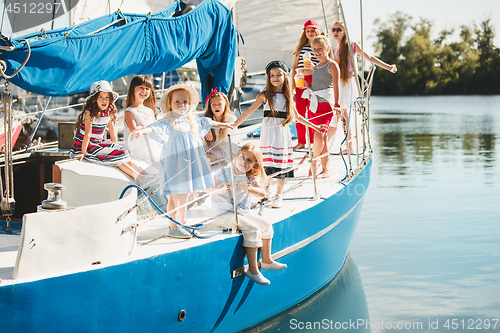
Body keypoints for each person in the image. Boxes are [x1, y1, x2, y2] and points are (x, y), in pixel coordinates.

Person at [130, 84, 233, 239]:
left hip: (189, 162)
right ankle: (177, 225)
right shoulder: (168, 121)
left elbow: (209, 122)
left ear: (189, 104)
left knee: (181, 196)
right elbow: (154, 128)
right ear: (169, 104)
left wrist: (224, 124)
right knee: (176, 196)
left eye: (184, 102)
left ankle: (178, 225)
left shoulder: (191, 120)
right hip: (176, 163)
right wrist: (141, 132)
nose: (181, 105)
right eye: (177, 102)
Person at [234, 60, 326, 208]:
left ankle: (278, 195)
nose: (275, 78)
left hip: (282, 137)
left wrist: (315, 126)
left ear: (285, 76)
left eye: (278, 75)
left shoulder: (288, 97)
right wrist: (234, 124)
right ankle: (266, 191)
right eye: (272, 75)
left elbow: (298, 117)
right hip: (268, 137)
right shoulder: (265, 95)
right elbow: (248, 111)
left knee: (281, 167)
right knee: (268, 167)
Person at [207, 143, 287, 285]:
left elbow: (262, 193)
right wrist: (221, 189)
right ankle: (253, 270)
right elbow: (208, 188)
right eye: (242, 157)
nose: (244, 162)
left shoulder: (249, 178)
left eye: (249, 160)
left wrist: (249, 189)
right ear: (236, 156)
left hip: (241, 213)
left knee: (266, 225)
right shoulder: (225, 172)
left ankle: (267, 260)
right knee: (253, 229)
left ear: (254, 165)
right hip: (224, 215)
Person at [331, 21, 397, 154]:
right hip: (339, 85)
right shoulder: (334, 51)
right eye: (333, 30)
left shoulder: (352, 46)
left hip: (349, 83)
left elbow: (370, 58)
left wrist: (388, 67)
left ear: (344, 32)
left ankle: (351, 146)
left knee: (345, 113)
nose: (336, 32)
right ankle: (344, 143)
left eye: (339, 29)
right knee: (340, 113)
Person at [70, 80, 146, 183]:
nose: (104, 100)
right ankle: (140, 178)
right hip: (87, 144)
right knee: (116, 158)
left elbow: (113, 133)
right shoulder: (90, 113)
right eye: (100, 97)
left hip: (99, 142)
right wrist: (83, 153)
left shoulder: (109, 112)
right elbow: (87, 134)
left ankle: (146, 175)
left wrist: (114, 147)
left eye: (107, 97)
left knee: (122, 152)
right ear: (94, 99)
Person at [302, 35, 341, 178]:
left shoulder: (332, 65)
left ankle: (317, 165)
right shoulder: (316, 67)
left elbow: (336, 86)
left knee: (320, 137)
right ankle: (323, 168)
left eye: (320, 49)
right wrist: (305, 85)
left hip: (326, 106)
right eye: (314, 49)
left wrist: (337, 104)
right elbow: (315, 87)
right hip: (315, 106)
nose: (317, 52)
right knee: (320, 138)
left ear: (327, 49)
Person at [291, 19, 321, 150]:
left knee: (313, 110)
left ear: (317, 31)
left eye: (312, 30)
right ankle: (301, 141)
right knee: (300, 111)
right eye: (308, 31)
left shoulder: (320, 47)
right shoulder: (300, 48)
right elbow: (294, 67)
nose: (310, 33)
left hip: (314, 79)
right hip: (300, 79)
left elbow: (324, 64)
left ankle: (313, 142)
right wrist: (292, 85)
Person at [123, 75, 162, 166]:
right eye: (140, 87)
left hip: (152, 146)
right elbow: (134, 129)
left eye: (147, 88)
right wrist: (150, 125)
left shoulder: (149, 110)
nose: (144, 91)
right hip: (138, 148)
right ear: (133, 89)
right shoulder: (130, 111)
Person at [203, 89, 237, 164]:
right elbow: (196, 121)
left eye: (219, 104)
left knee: (206, 159)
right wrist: (207, 129)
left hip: (224, 150)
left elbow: (234, 139)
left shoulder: (230, 119)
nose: (216, 107)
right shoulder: (207, 119)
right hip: (210, 148)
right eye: (213, 105)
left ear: (225, 105)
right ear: (210, 107)